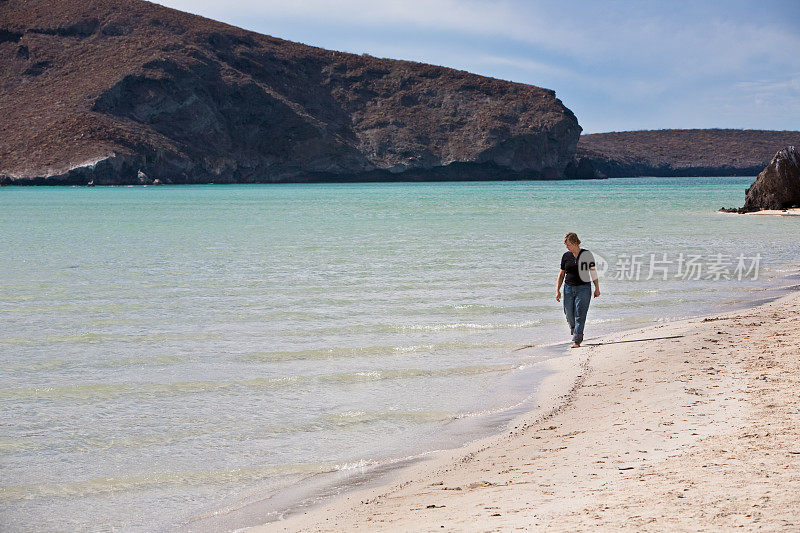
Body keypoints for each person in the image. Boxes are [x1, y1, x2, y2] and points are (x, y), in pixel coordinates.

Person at [555, 232, 600, 348]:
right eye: (565, 245)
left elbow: (593, 272)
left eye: (568, 244)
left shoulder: (586, 254)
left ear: (575, 243)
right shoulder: (566, 256)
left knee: (580, 314)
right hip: (568, 288)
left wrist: (597, 288)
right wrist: (557, 290)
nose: (566, 247)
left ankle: (577, 340)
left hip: (583, 288)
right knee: (568, 313)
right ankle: (575, 330)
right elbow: (561, 274)